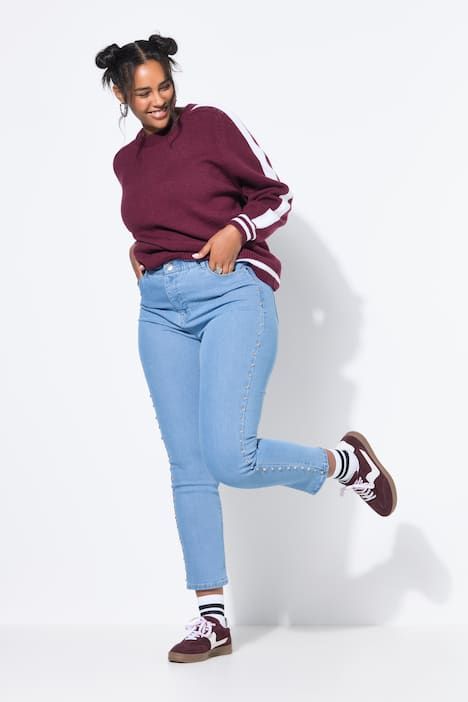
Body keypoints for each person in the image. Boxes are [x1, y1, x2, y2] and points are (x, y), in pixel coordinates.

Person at [95, 32, 398, 664]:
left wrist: (237, 229)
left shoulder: (210, 125)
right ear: (122, 96)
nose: (158, 100)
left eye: (164, 86)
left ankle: (343, 465)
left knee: (230, 456)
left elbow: (276, 193)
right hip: (160, 312)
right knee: (188, 465)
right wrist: (142, 252)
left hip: (231, 292)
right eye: (143, 93)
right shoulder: (125, 162)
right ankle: (211, 619)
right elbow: (157, 219)